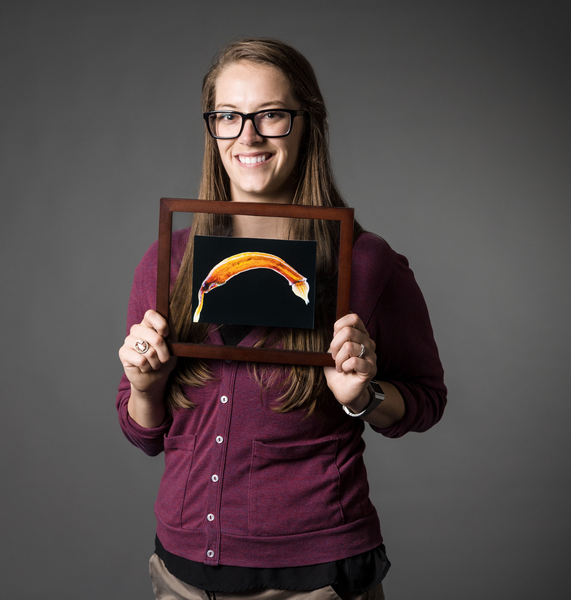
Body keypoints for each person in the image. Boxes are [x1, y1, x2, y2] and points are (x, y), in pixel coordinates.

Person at [117, 38, 446, 600]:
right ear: (212, 128)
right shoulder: (168, 261)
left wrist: (362, 396)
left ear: (306, 123)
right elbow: (143, 432)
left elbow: (425, 400)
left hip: (315, 579)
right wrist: (145, 388)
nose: (247, 135)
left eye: (270, 114)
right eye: (228, 116)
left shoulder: (366, 265)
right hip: (181, 573)